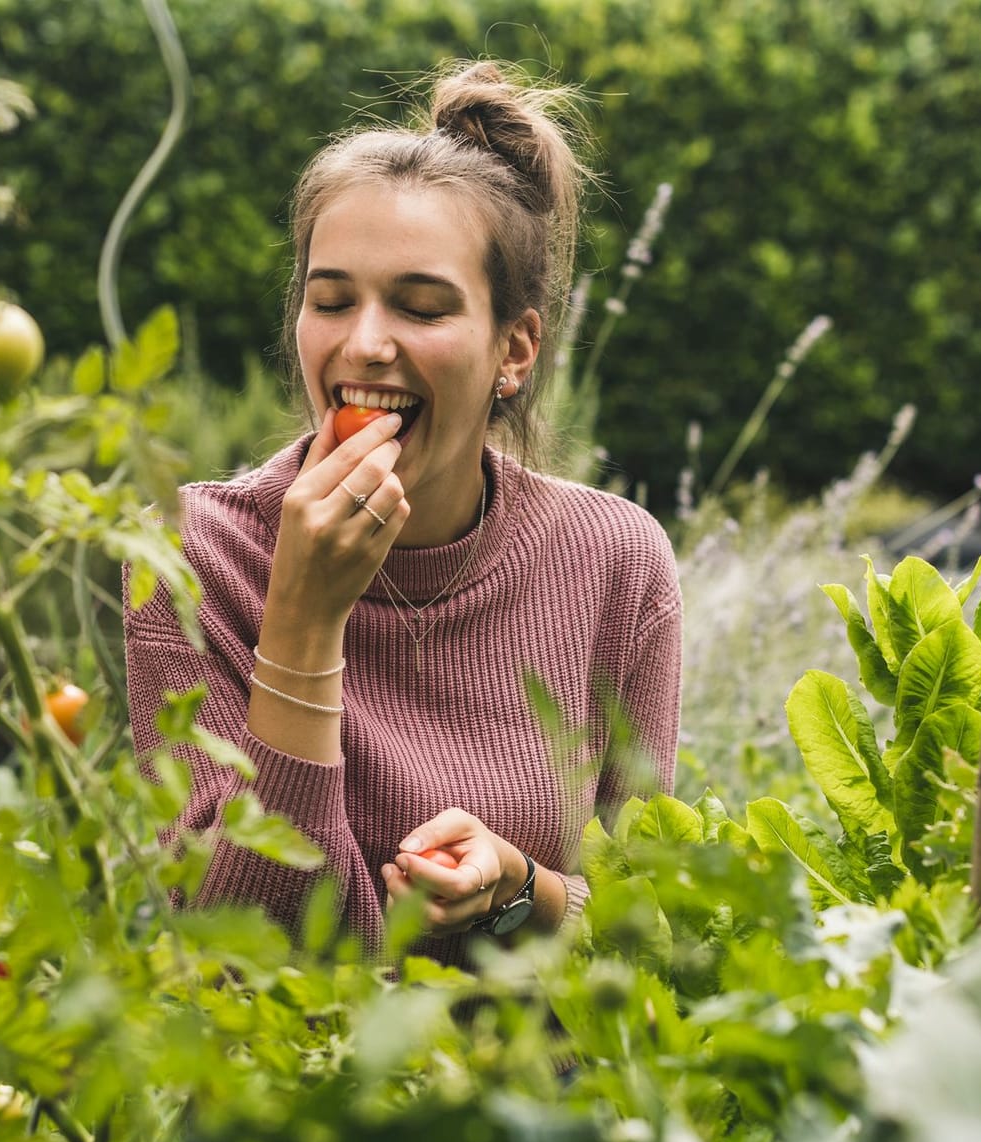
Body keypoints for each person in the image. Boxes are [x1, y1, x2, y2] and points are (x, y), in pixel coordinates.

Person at [123, 61, 681, 968]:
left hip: (544, 1096)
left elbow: (653, 926)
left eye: (421, 307)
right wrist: (302, 622)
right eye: (331, 300)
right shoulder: (193, 554)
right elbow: (228, 958)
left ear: (515, 349)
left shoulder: (614, 560)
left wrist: (520, 890)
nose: (365, 344)